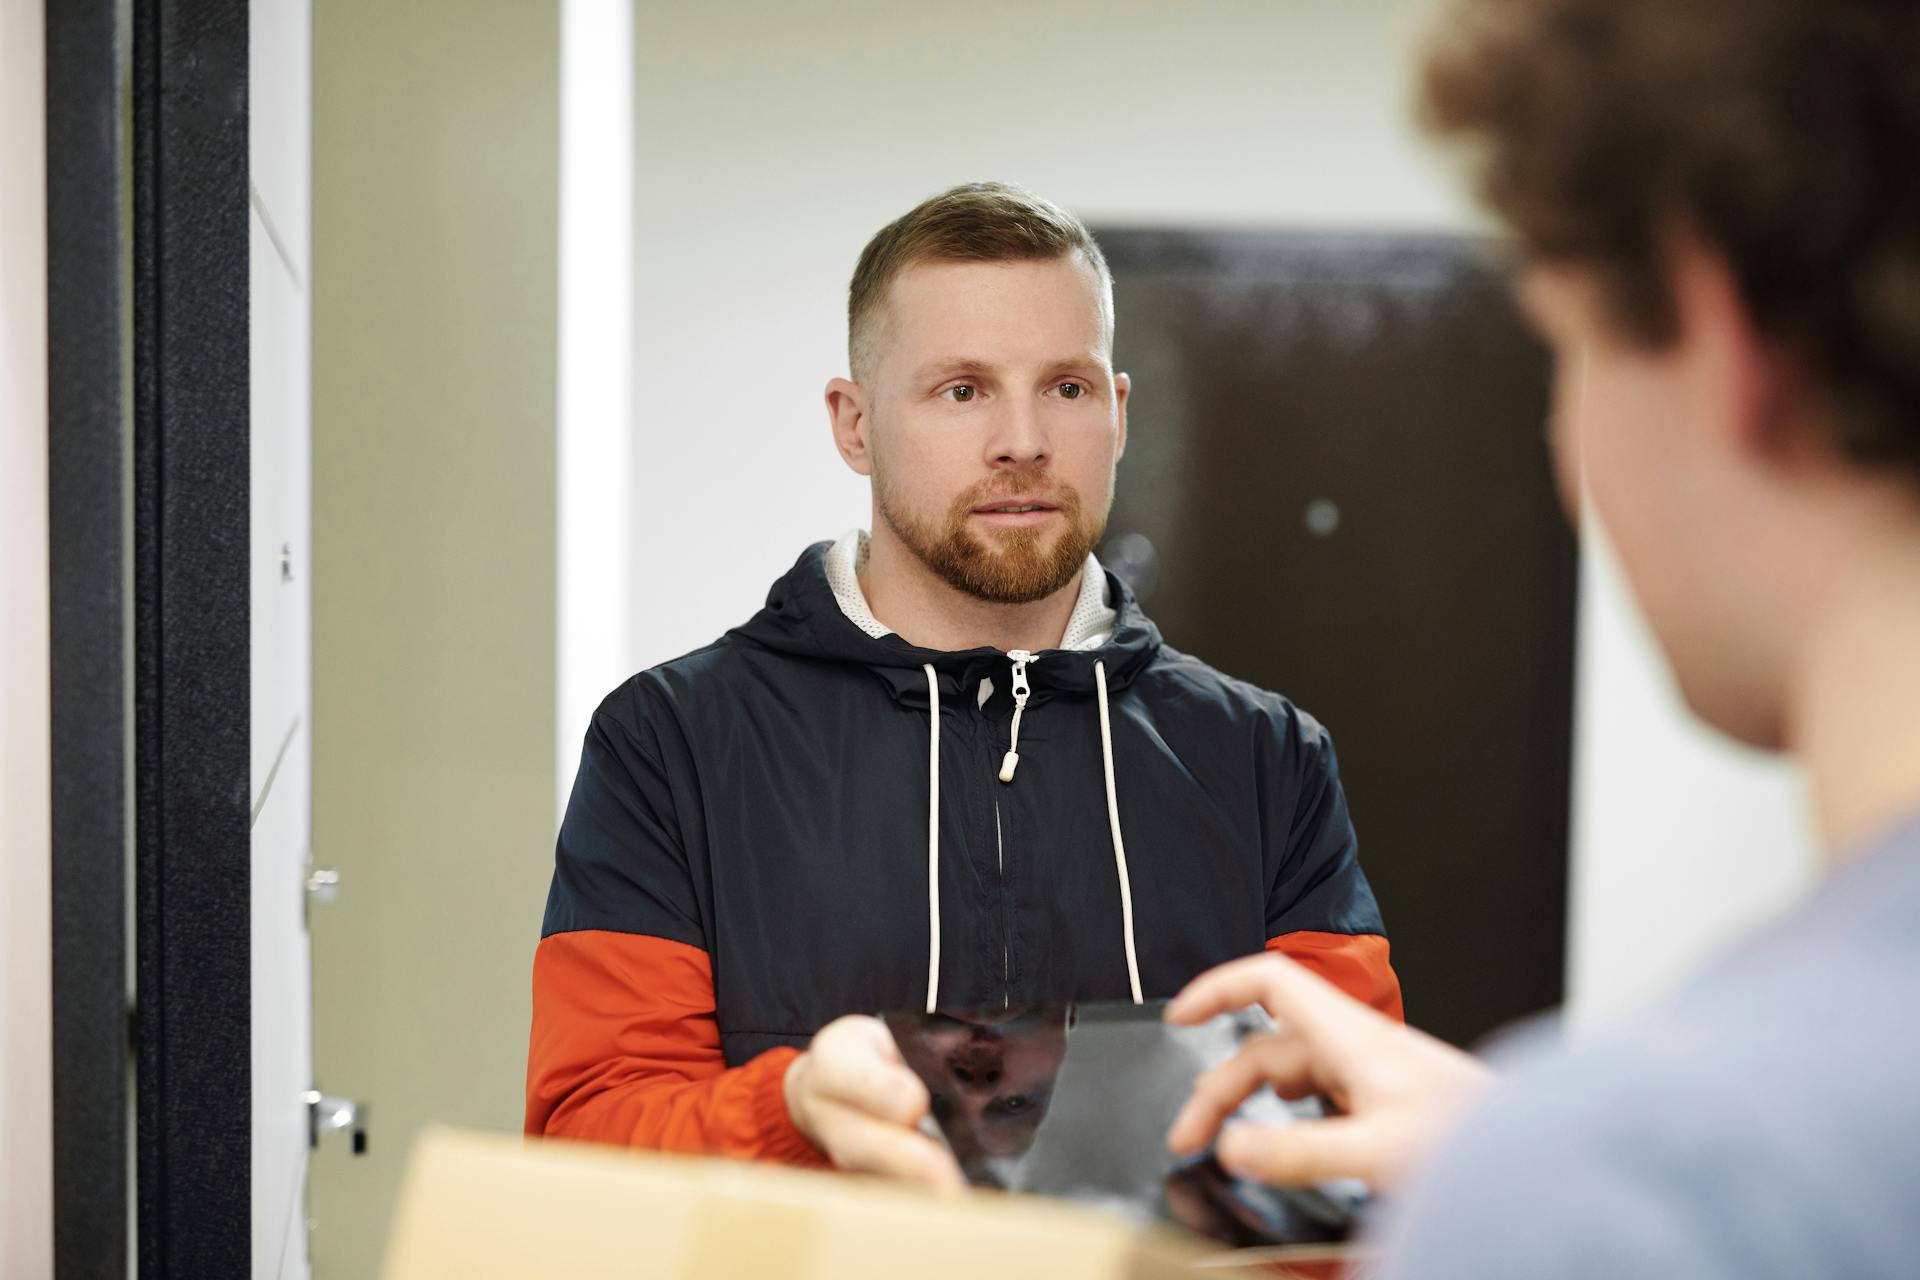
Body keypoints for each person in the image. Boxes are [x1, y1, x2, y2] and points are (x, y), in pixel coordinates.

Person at [1166, 0, 1920, 1274]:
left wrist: (1549, 1178)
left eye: (1562, 352)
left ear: (1718, 322)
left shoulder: (1630, 1194)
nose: (1570, 466)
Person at [525, 183, 1403, 1184]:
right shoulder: (670, 743)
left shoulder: (1267, 759)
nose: (1022, 439)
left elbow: (1354, 1131)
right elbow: (587, 1139)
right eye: (963, 389)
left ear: (1116, 414)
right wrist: (790, 1106)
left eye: (1065, 388)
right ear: (853, 423)